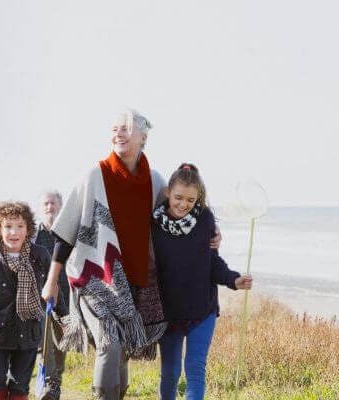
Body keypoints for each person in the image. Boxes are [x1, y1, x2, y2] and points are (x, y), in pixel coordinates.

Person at [41, 109, 221, 400]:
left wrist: (212, 231)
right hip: (95, 279)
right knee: (110, 343)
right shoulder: (94, 176)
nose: (118, 134)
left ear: (143, 137)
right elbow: (65, 232)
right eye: (114, 129)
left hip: (137, 283)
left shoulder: (154, 180)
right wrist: (52, 281)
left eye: (125, 128)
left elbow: (181, 210)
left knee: (122, 350)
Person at [151, 163, 253, 400]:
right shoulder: (154, 225)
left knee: (195, 370)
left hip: (202, 311)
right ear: (168, 193)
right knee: (170, 373)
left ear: (198, 198)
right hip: (169, 313)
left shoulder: (205, 220)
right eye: (178, 197)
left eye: (190, 200)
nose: (183, 204)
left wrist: (233, 279)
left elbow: (212, 263)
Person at [0, 201, 51, 400]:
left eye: (20, 226)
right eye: (8, 226)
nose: (14, 232)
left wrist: (64, 316)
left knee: (20, 386)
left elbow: (54, 287)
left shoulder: (40, 255)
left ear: (28, 229)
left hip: (29, 332)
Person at [33, 190, 69, 400]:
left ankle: (54, 387)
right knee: (43, 344)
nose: (49, 207)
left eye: (53, 203)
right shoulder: (33, 236)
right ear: (41, 208)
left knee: (61, 346)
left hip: (66, 299)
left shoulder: (67, 234)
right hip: (40, 299)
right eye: (46, 203)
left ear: (61, 206)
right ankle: (48, 384)